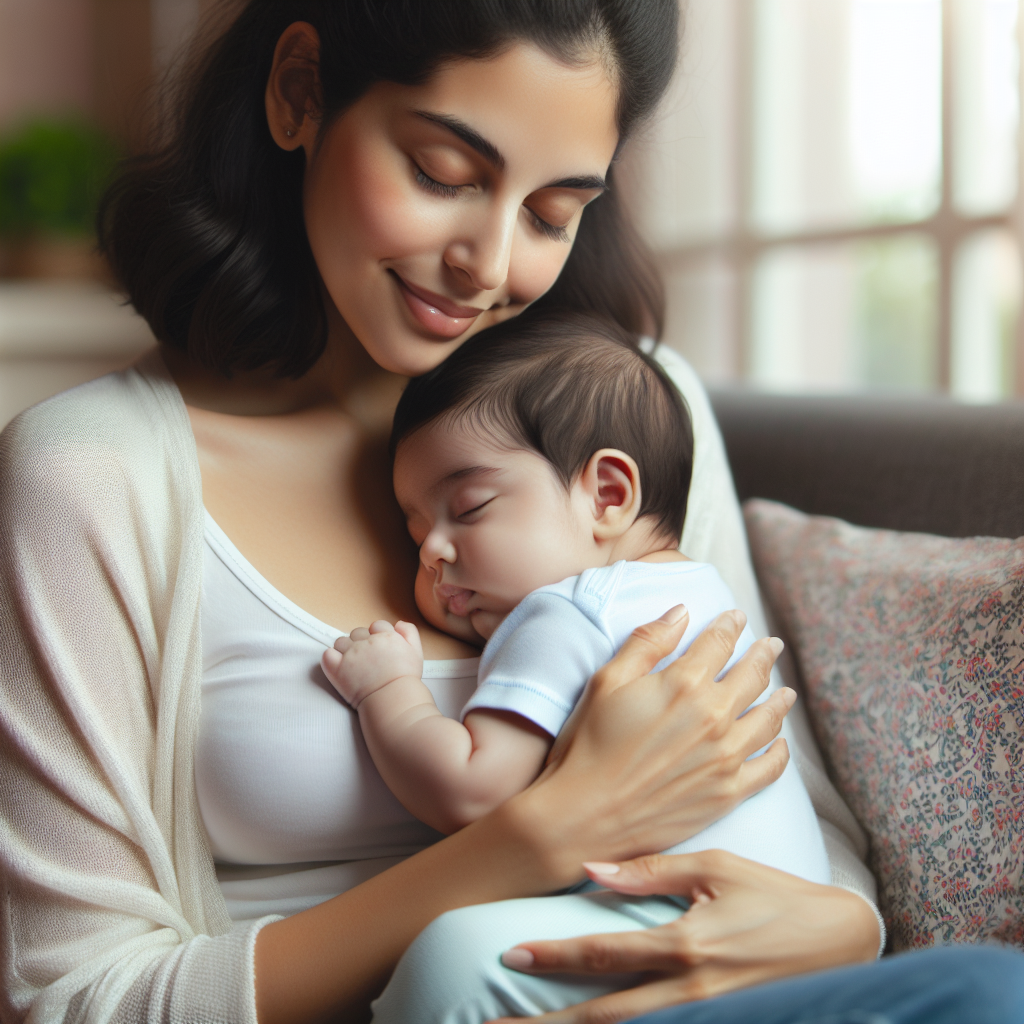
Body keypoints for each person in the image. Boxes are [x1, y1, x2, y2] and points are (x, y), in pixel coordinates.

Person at [1, 2, 1017, 1022]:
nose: (488, 265)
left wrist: (841, 926)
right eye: (444, 175)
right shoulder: (92, 477)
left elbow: (777, 783)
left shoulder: (627, 413)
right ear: (299, 91)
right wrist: (535, 837)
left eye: (551, 212)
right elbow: (68, 998)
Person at [321, 312, 829, 885]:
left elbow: (470, 795)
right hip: (789, 906)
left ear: (608, 496)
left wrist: (388, 691)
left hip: (656, 918)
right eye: (415, 537)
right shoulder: (707, 594)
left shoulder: (567, 613)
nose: (432, 550)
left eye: (468, 508)